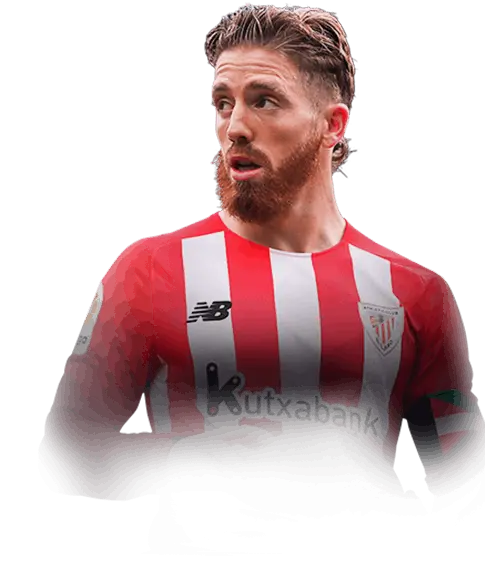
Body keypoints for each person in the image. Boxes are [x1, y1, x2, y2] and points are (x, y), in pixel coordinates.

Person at [42, 4, 483, 506]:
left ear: (332, 125)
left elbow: (464, 483)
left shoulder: (415, 294)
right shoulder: (150, 270)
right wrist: (182, 455)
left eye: (264, 101)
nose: (234, 127)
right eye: (223, 102)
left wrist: (365, 482)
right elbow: (71, 445)